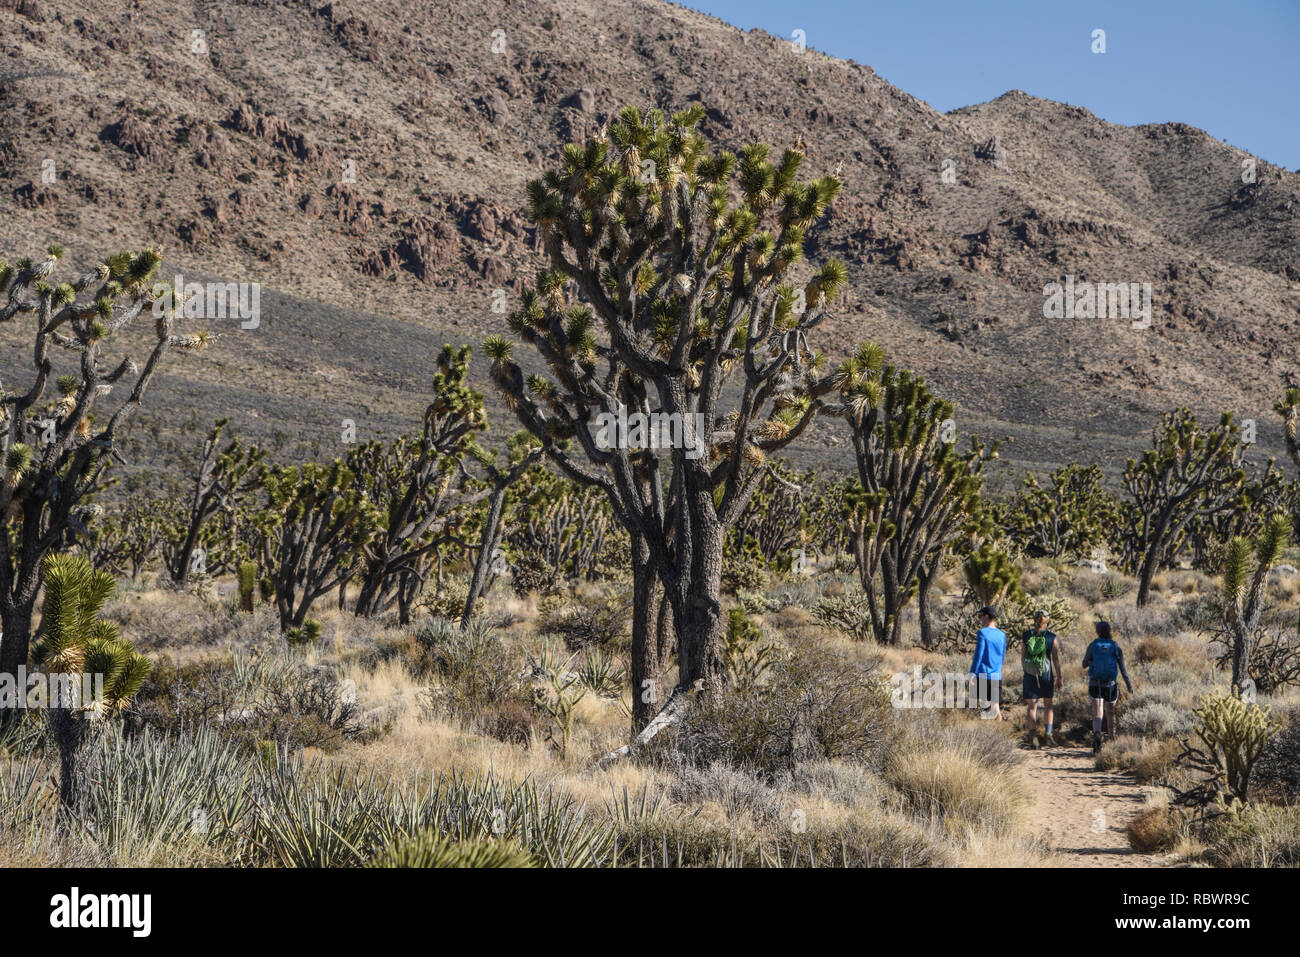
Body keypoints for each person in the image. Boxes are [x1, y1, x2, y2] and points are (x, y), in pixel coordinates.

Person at [1082, 620, 1134, 754]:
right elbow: (1123, 668)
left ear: (1098, 632)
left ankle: (1097, 735)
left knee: (1098, 711)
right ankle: (1111, 739)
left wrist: (1092, 660)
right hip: (1110, 684)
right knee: (1110, 712)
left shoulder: (1093, 645)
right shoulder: (1115, 646)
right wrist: (1129, 685)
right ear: (1110, 631)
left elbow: (1084, 664)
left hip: (1095, 683)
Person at [1021, 609, 1063, 748]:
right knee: (1048, 705)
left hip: (1030, 673)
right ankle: (1049, 736)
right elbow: (1055, 659)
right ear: (1048, 621)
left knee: (1032, 706)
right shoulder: (1051, 637)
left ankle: (1033, 738)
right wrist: (1059, 677)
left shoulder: (1026, 635)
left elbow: (1023, 656)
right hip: (1046, 673)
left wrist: (1027, 670)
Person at [968, 606, 1006, 720]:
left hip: (983, 673)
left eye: (981, 616)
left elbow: (978, 655)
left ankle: (985, 732)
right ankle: (999, 731)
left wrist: (972, 673)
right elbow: (1002, 655)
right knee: (995, 707)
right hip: (996, 674)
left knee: (983, 707)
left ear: (986, 616)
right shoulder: (1002, 635)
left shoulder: (982, 633)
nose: (980, 619)